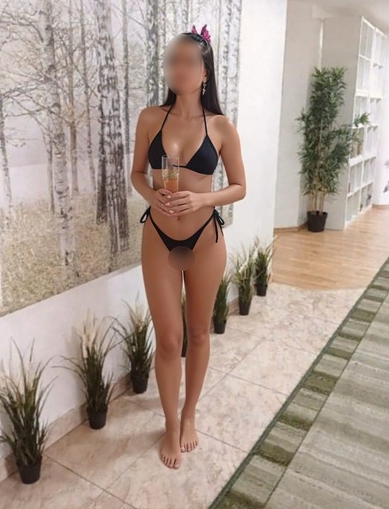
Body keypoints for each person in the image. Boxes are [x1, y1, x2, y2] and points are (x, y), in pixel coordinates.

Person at [131, 24, 246, 469]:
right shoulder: (150, 118)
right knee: (168, 338)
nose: (178, 68)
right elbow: (137, 174)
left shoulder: (221, 126)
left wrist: (202, 199)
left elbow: (239, 187)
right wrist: (151, 194)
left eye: (188, 61)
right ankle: (169, 422)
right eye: (172, 61)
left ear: (205, 72)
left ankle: (190, 414)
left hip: (205, 240)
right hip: (159, 237)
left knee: (198, 332)